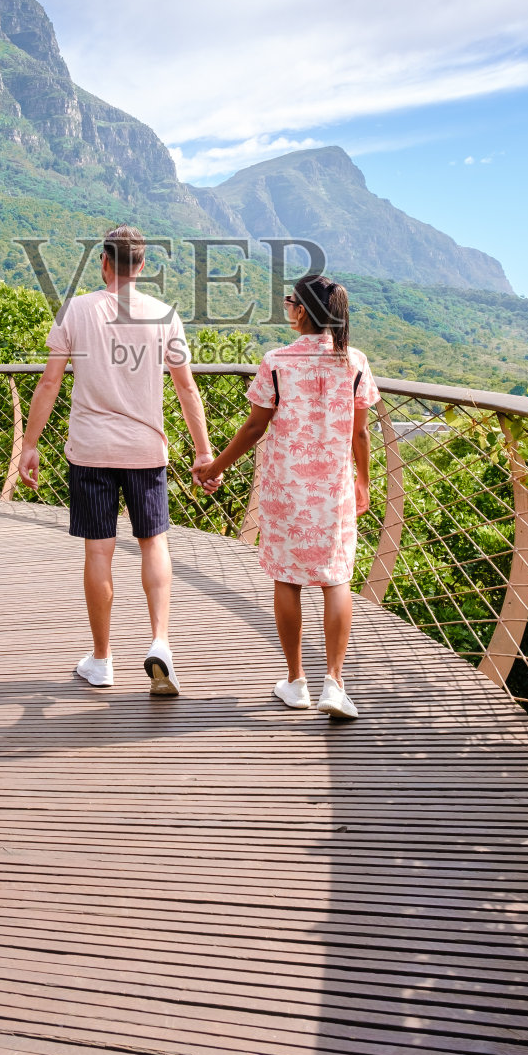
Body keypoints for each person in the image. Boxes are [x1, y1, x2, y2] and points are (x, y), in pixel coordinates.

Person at [17, 224, 217, 696]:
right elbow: (186, 387)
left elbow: (49, 383)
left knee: (99, 550)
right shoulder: (163, 314)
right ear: (142, 266)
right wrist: (204, 451)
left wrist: (29, 444)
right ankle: (161, 641)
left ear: (104, 262)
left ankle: (102, 659)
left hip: (90, 449)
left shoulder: (77, 310)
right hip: (146, 451)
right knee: (154, 544)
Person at [193, 274, 378, 720]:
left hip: (286, 488)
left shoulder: (276, 361)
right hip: (334, 488)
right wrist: (365, 482)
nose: (288, 308)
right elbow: (360, 432)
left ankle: (296, 682)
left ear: (301, 310)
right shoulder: (354, 362)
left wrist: (215, 467)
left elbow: (256, 427)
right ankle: (334, 682)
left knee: (288, 579)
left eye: (290, 302)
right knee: (337, 579)